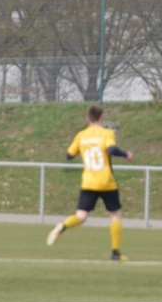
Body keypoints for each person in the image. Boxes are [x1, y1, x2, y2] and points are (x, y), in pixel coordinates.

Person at [46, 105, 132, 261]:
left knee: (81, 216)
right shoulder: (106, 133)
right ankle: (115, 252)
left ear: (87, 119)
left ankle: (63, 226)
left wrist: (83, 148)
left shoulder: (81, 135)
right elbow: (112, 150)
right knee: (115, 215)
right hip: (106, 182)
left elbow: (68, 155)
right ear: (102, 118)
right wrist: (126, 154)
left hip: (88, 182)